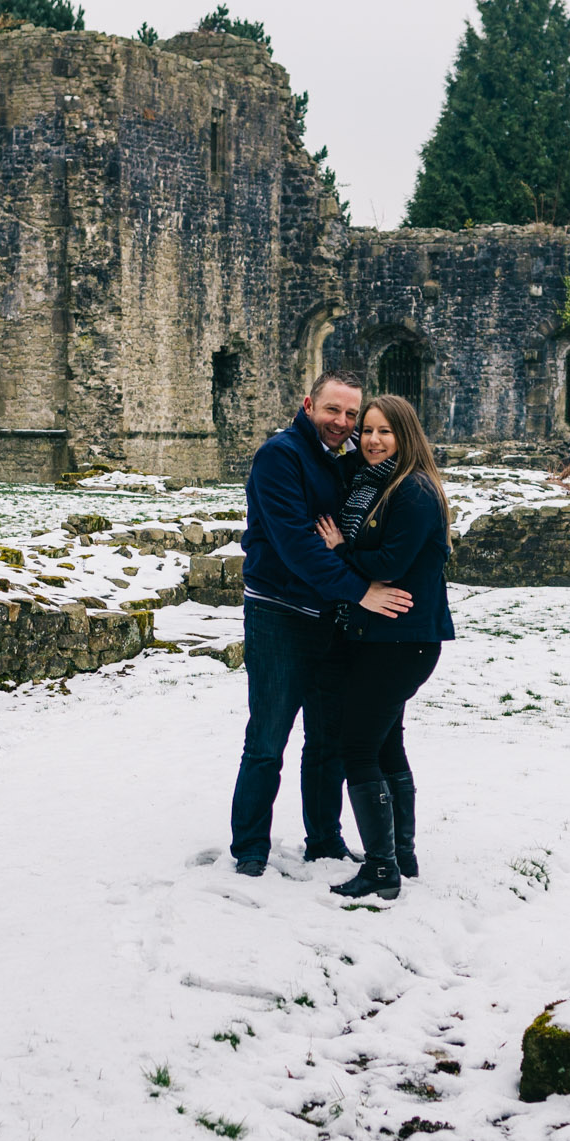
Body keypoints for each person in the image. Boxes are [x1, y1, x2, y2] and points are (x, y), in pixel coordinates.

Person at [229, 370, 412, 876]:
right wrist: (361, 590)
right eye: (334, 410)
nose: (344, 422)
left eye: (352, 414)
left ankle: (325, 841)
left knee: (327, 739)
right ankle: (249, 849)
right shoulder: (280, 456)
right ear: (309, 404)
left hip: (331, 618)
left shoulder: (346, 460)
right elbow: (296, 545)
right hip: (279, 614)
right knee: (268, 740)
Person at [312, 392, 453, 901]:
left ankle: (381, 870)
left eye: (384, 432)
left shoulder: (411, 490)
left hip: (402, 639)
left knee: (358, 748)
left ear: (405, 436)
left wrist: (341, 550)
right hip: (383, 636)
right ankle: (403, 855)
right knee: (387, 743)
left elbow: (390, 564)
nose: (371, 440)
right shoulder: (372, 484)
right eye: (366, 430)